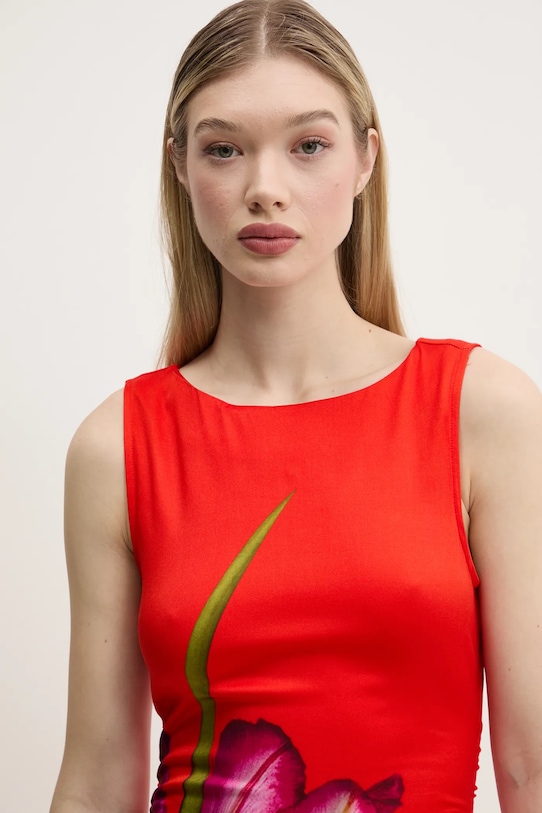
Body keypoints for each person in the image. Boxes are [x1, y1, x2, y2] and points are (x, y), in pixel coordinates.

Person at [49, 1, 542, 811]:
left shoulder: (483, 412)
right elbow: (98, 776)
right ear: (180, 165)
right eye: (223, 149)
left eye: (308, 145)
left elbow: (531, 768)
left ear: (366, 158)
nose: (264, 189)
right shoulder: (117, 446)